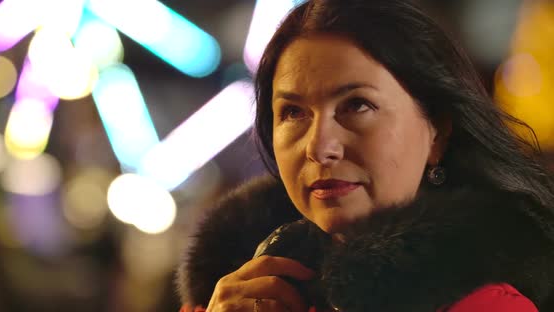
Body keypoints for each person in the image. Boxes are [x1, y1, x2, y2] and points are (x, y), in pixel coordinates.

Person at [177, 0, 554, 311]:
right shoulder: (236, 295)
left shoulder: (486, 305)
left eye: (357, 105)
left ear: (437, 131)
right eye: (293, 112)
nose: (318, 147)